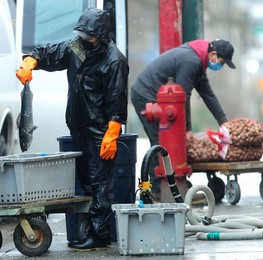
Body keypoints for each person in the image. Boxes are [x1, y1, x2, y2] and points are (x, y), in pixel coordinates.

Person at [16, 8, 129, 250]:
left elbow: (116, 99)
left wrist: (112, 132)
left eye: (89, 36)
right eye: (82, 35)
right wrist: (30, 62)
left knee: (100, 185)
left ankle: (99, 236)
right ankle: (89, 231)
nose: (84, 40)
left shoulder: (114, 60)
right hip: (77, 127)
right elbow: (49, 53)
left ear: (100, 34)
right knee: (86, 182)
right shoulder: (76, 47)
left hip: (100, 132)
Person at [131, 38, 236, 200]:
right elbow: (183, 97)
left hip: (158, 96)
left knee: (164, 142)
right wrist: (187, 130)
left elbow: (208, 95)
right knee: (160, 142)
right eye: (221, 62)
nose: (220, 66)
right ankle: (156, 189)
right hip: (145, 94)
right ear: (213, 54)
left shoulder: (198, 63)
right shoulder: (191, 61)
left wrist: (224, 122)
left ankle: (174, 184)